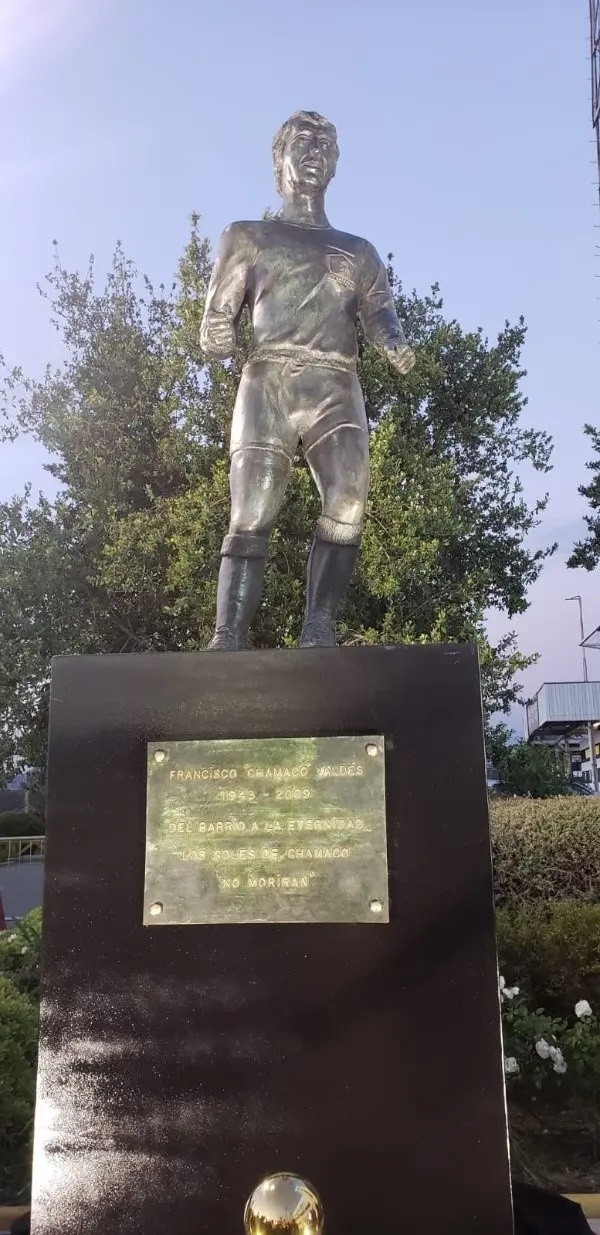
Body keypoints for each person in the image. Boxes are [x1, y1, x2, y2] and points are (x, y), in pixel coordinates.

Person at [200, 109, 415, 649]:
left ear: (336, 165)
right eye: (303, 143)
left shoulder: (359, 251)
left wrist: (392, 341)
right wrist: (216, 332)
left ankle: (319, 624)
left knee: (348, 499)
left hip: (335, 384)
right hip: (269, 380)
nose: (316, 153)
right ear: (280, 158)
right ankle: (228, 635)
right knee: (251, 510)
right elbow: (217, 314)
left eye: (325, 146)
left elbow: (379, 312)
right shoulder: (248, 236)